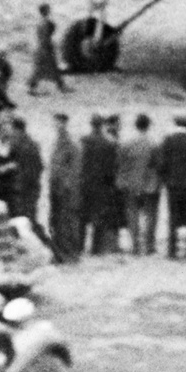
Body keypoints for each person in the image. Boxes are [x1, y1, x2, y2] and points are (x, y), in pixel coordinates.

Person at [156, 115, 186, 258]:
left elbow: (161, 164)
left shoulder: (168, 140)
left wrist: (166, 178)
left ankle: (172, 250)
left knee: (173, 216)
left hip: (173, 185)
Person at [116, 114, 160, 255]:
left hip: (131, 184)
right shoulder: (154, 144)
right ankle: (149, 246)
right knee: (150, 216)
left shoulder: (127, 144)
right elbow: (158, 166)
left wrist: (122, 182)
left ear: (136, 125)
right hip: (150, 185)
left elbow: (121, 165)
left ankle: (135, 245)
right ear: (148, 126)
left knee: (132, 215)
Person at [79, 113, 120, 254]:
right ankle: (95, 248)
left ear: (91, 124)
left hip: (85, 183)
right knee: (98, 216)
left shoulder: (83, 140)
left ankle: (80, 245)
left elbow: (80, 163)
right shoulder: (107, 143)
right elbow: (111, 167)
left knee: (83, 216)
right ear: (101, 125)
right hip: (101, 184)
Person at [47, 112, 82, 262]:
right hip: (55, 188)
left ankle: (70, 253)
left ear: (65, 124)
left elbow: (74, 169)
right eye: (55, 123)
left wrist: (67, 186)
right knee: (56, 221)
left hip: (66, 190)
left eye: (59, 123)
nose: (57, 126)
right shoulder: (56, 143)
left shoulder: (70, 145)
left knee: (67, 221)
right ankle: (60, 251)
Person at [8, 115, 45, 223]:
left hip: (22, 188)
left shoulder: (17, 145)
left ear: (16, 129)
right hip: (32, 187)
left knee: (22, 218)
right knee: (31, 216)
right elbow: (40, 166)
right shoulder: (33, 144)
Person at [28, 4, 68, 94]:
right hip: (45, 48)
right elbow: (46, 37)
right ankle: (61, 86)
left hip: (41, 48)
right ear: (46, 11)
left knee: (42, 69)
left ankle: (61, 86)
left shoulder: (40, 22)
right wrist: (48, 48)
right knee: (47, 68)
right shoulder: (46, 23)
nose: (50, 11)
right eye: (48, 10)